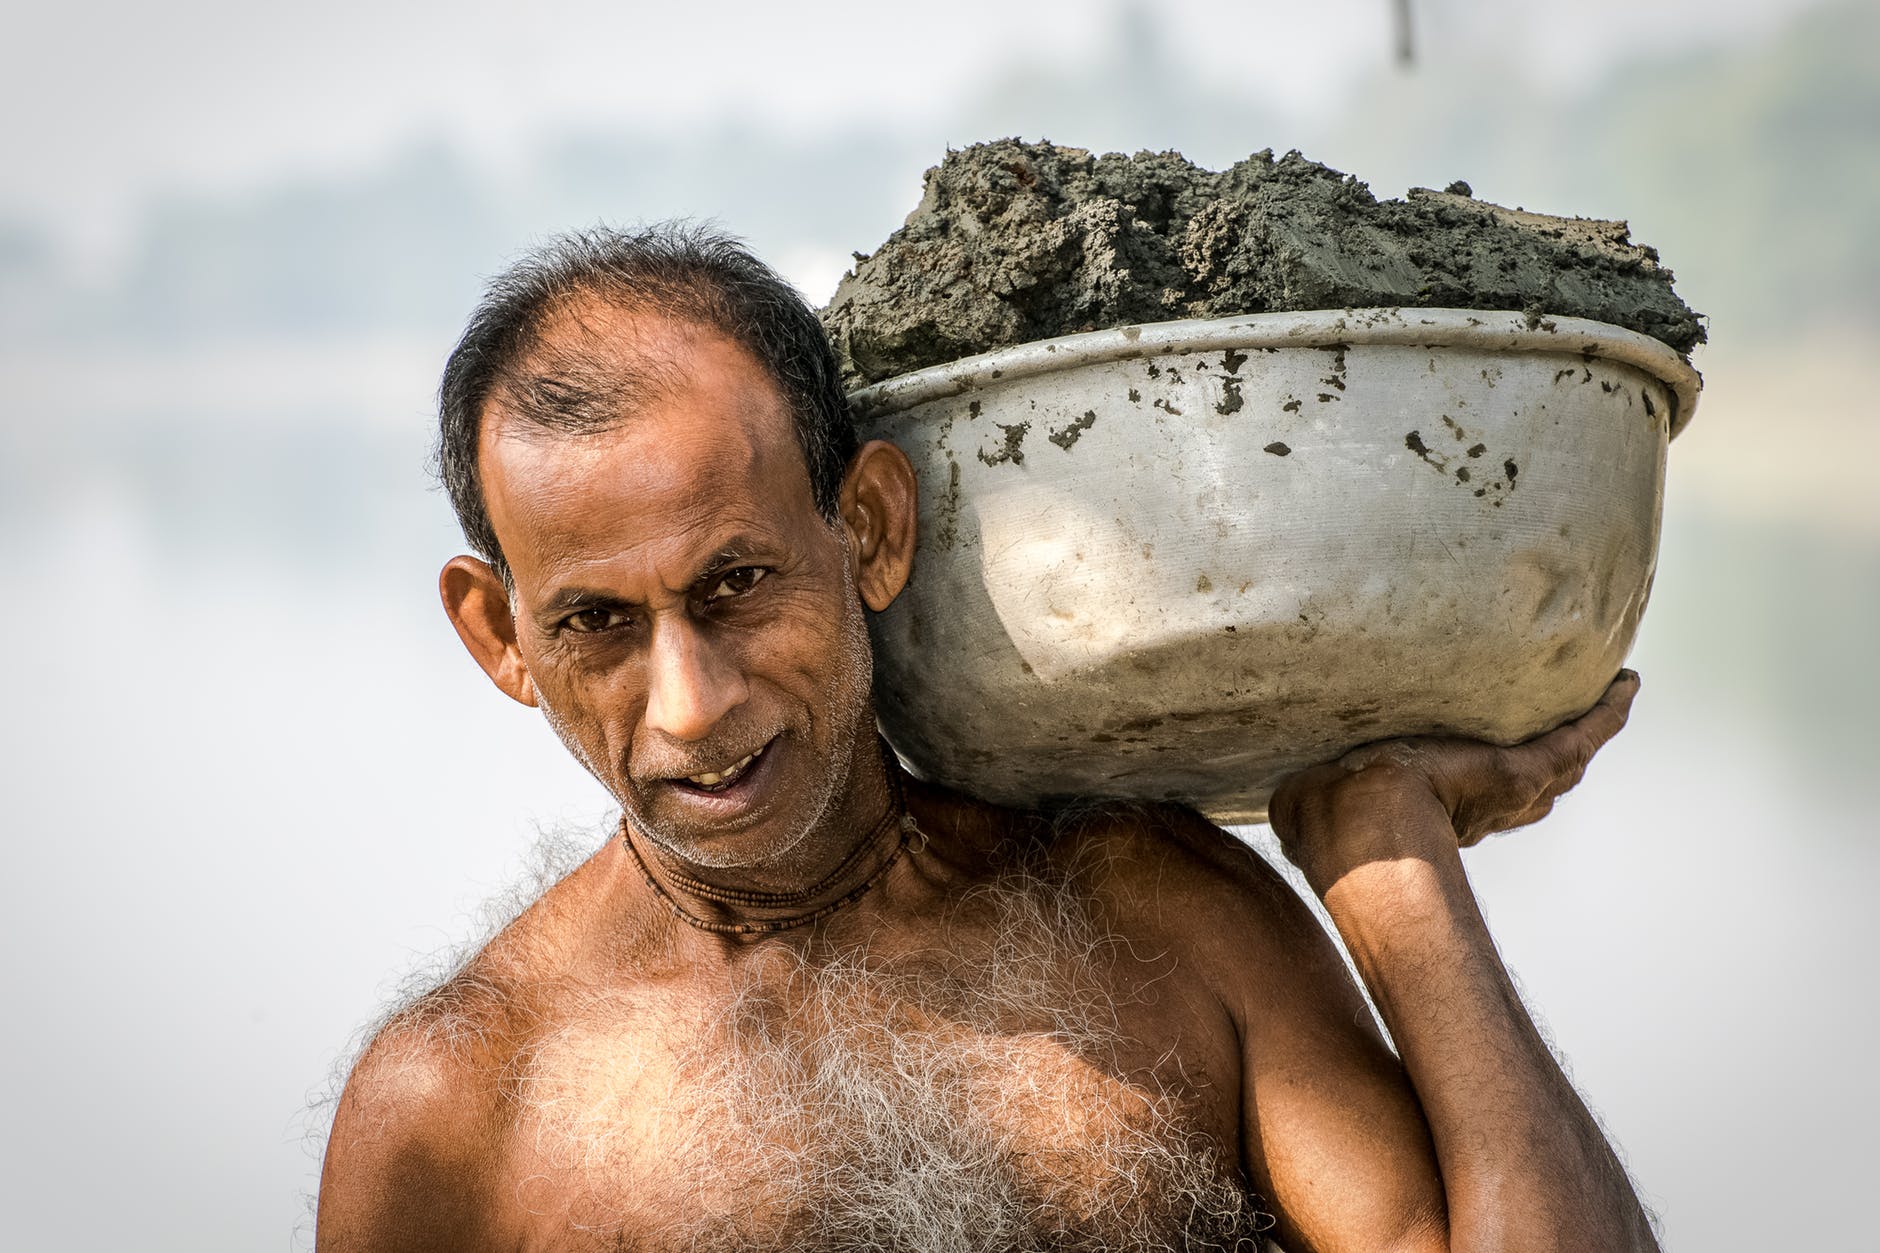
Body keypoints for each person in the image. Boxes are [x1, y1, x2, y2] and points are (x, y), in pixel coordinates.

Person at [317, 224, 1659, 1252]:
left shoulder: (1153, 916)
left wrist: (1389, 860)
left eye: (737, 585)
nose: (691, 703)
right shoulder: (459, 1110)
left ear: (871, 531)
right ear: (500, 636)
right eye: (598, 622)